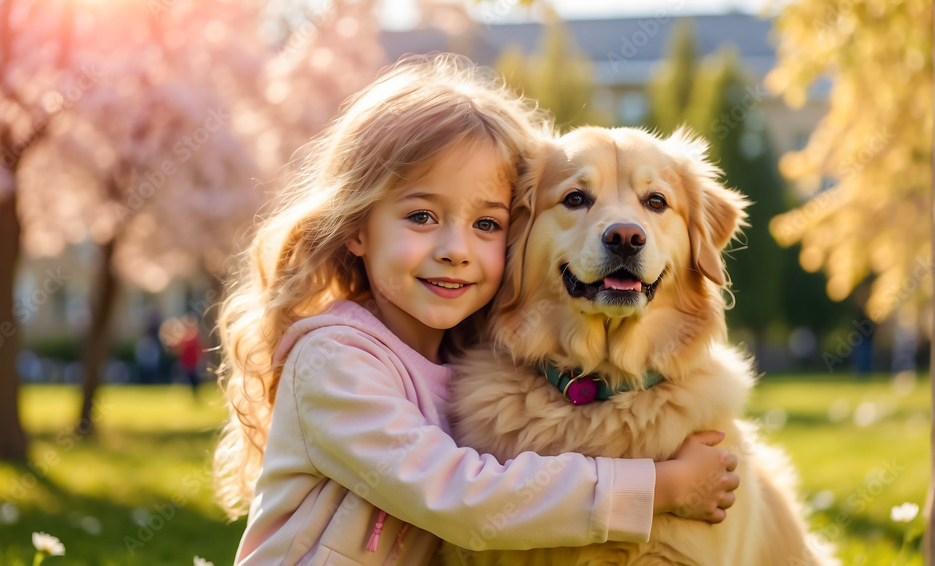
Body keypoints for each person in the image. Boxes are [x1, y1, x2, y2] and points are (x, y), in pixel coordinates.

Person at [214, 54, 740, 566]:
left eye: (487, 224)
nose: (455, 249)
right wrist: (661, 487)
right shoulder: (334, 362)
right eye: (421, 215)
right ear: (355, 227)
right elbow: (465, 500)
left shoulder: (472, 358)